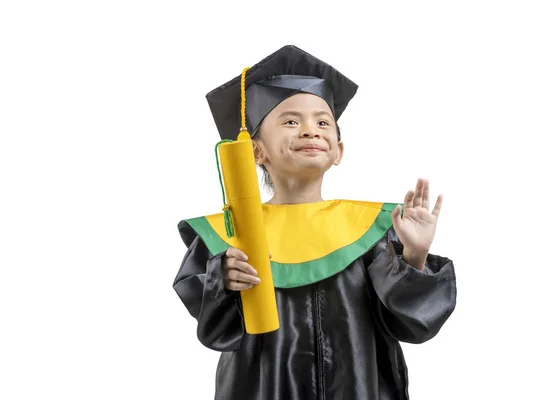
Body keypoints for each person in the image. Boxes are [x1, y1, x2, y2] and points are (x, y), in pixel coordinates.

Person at [172, 45, 457, 400]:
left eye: (323, 122)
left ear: (338, 150)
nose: (311, 131)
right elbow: (215, 332)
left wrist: (414, 256)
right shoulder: (228, 237)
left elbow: (409, 324)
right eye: (291, 121)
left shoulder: (371, 229)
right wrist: (223, 281)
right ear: (255, 151)